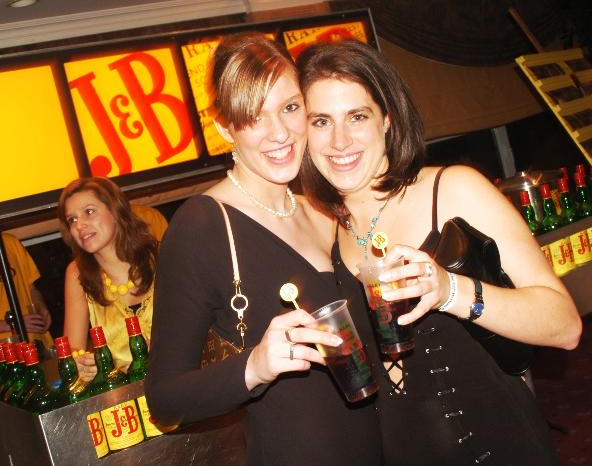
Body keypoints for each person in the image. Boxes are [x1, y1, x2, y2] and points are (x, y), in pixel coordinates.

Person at [296, 39, 582, 465]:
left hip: (497, 448)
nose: (340, 140)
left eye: (357, 116)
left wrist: (451, 290)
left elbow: (565, 326)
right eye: (321, 121)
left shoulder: (453, 189)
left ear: (387, 120)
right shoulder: (323, 226)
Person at [146, 32, 382, 466]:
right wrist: (255, 366)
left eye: (290, 108)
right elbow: (165, 400)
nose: (280, 133)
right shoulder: (203, 226)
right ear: (224, 128)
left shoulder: (323, 206)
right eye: (254, 117)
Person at [58, 177, 159, 380]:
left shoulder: (160, 256)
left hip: (181, 381)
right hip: (124, 393)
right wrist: (84, 365)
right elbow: (72, 350)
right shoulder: (76, 273)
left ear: (115, 210)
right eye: (72, 220)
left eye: (89, 212)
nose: (80, 225)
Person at [0, 232, 53, 349]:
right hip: (6, 351)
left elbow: (31, 288)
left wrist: (40, 305)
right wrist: (14, 323)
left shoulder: (9, 241)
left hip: (36, 341)